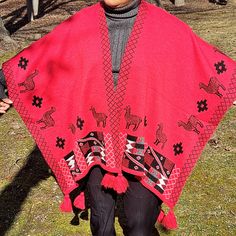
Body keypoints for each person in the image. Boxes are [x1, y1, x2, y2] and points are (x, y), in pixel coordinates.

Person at [0, 0, 235, 235]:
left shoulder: (165, 27)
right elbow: (40, 57)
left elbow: (202, 62)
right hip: (94, 140)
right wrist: (3, 83)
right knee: (100, 222)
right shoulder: (80, 25)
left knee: (138, 221)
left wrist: (231, 85)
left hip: (146, 141)